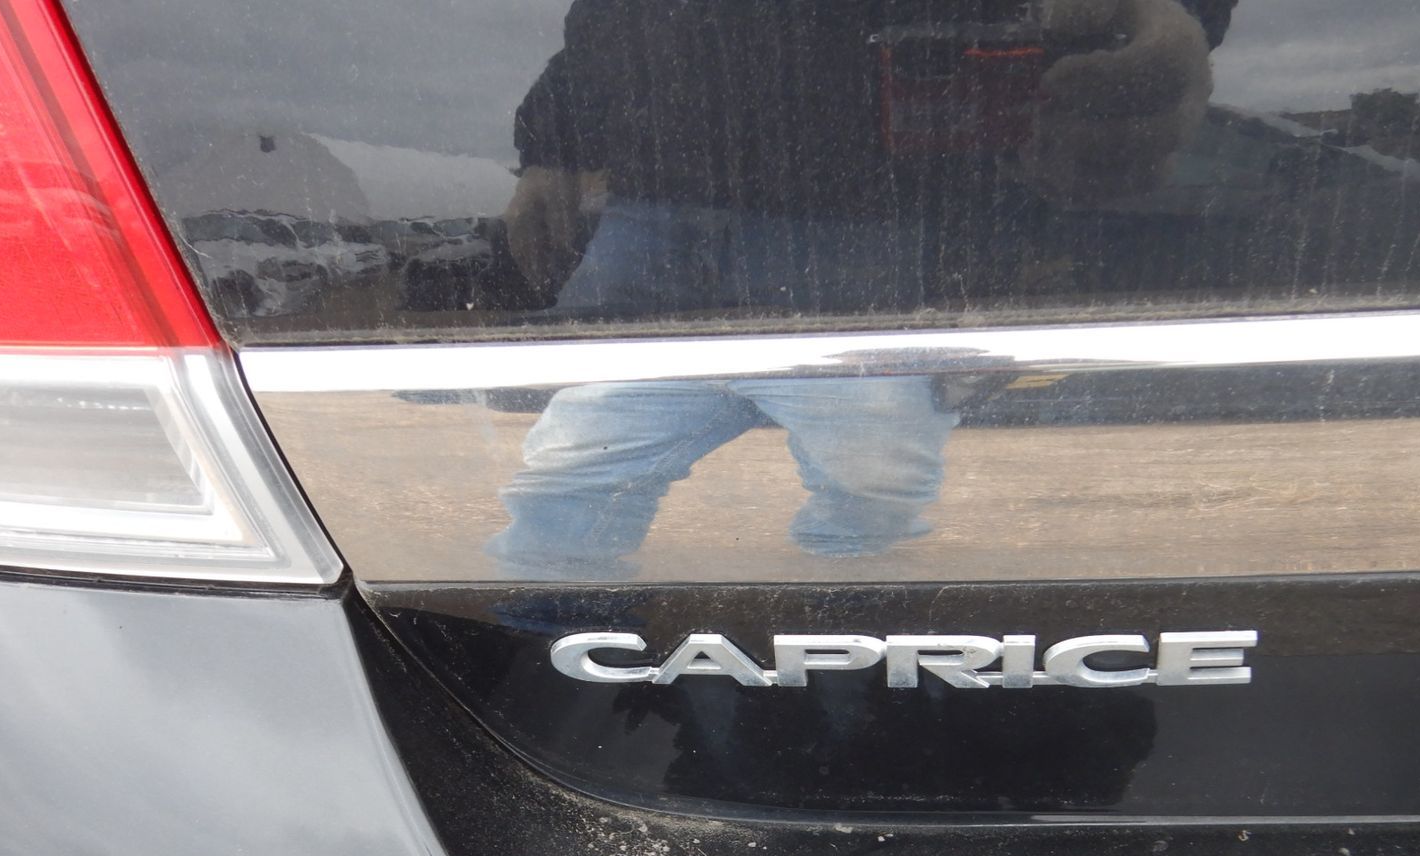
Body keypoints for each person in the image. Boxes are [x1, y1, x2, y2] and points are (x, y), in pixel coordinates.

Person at [487, 0, 1230, 580]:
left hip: (863, 219)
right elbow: (614, 13)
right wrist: (553, 140)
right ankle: (546, 620)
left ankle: (844, 635)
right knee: (572, 473)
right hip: (661, 206)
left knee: (873, 484)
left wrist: (1161, 14)